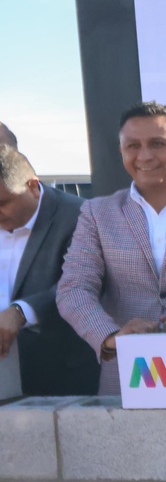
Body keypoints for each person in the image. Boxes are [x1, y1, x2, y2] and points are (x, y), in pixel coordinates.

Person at [57, 102, 166, 394]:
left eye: (158, 144)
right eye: (133, 146)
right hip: (128, 372)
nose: (145, 156)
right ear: (122, 151)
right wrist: (112, 337)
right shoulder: (97, 213)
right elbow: (74, 288)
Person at [0, 145, 97, 395]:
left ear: (32, 186)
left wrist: (20, 312)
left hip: (61, 377)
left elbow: (79, 283)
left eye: (3, 203)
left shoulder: (81, 215)